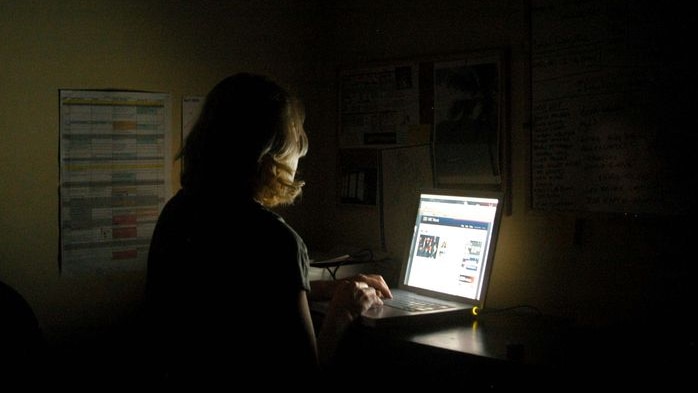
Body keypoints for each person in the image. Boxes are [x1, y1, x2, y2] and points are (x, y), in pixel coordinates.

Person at [145, 72, 391, 386]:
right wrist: (343, 311)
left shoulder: (178, 212)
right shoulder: (276, 240)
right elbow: (304, 379)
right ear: (268, 156)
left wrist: (318, 288)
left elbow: (233, 297)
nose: (300, 153)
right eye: (295, 144)